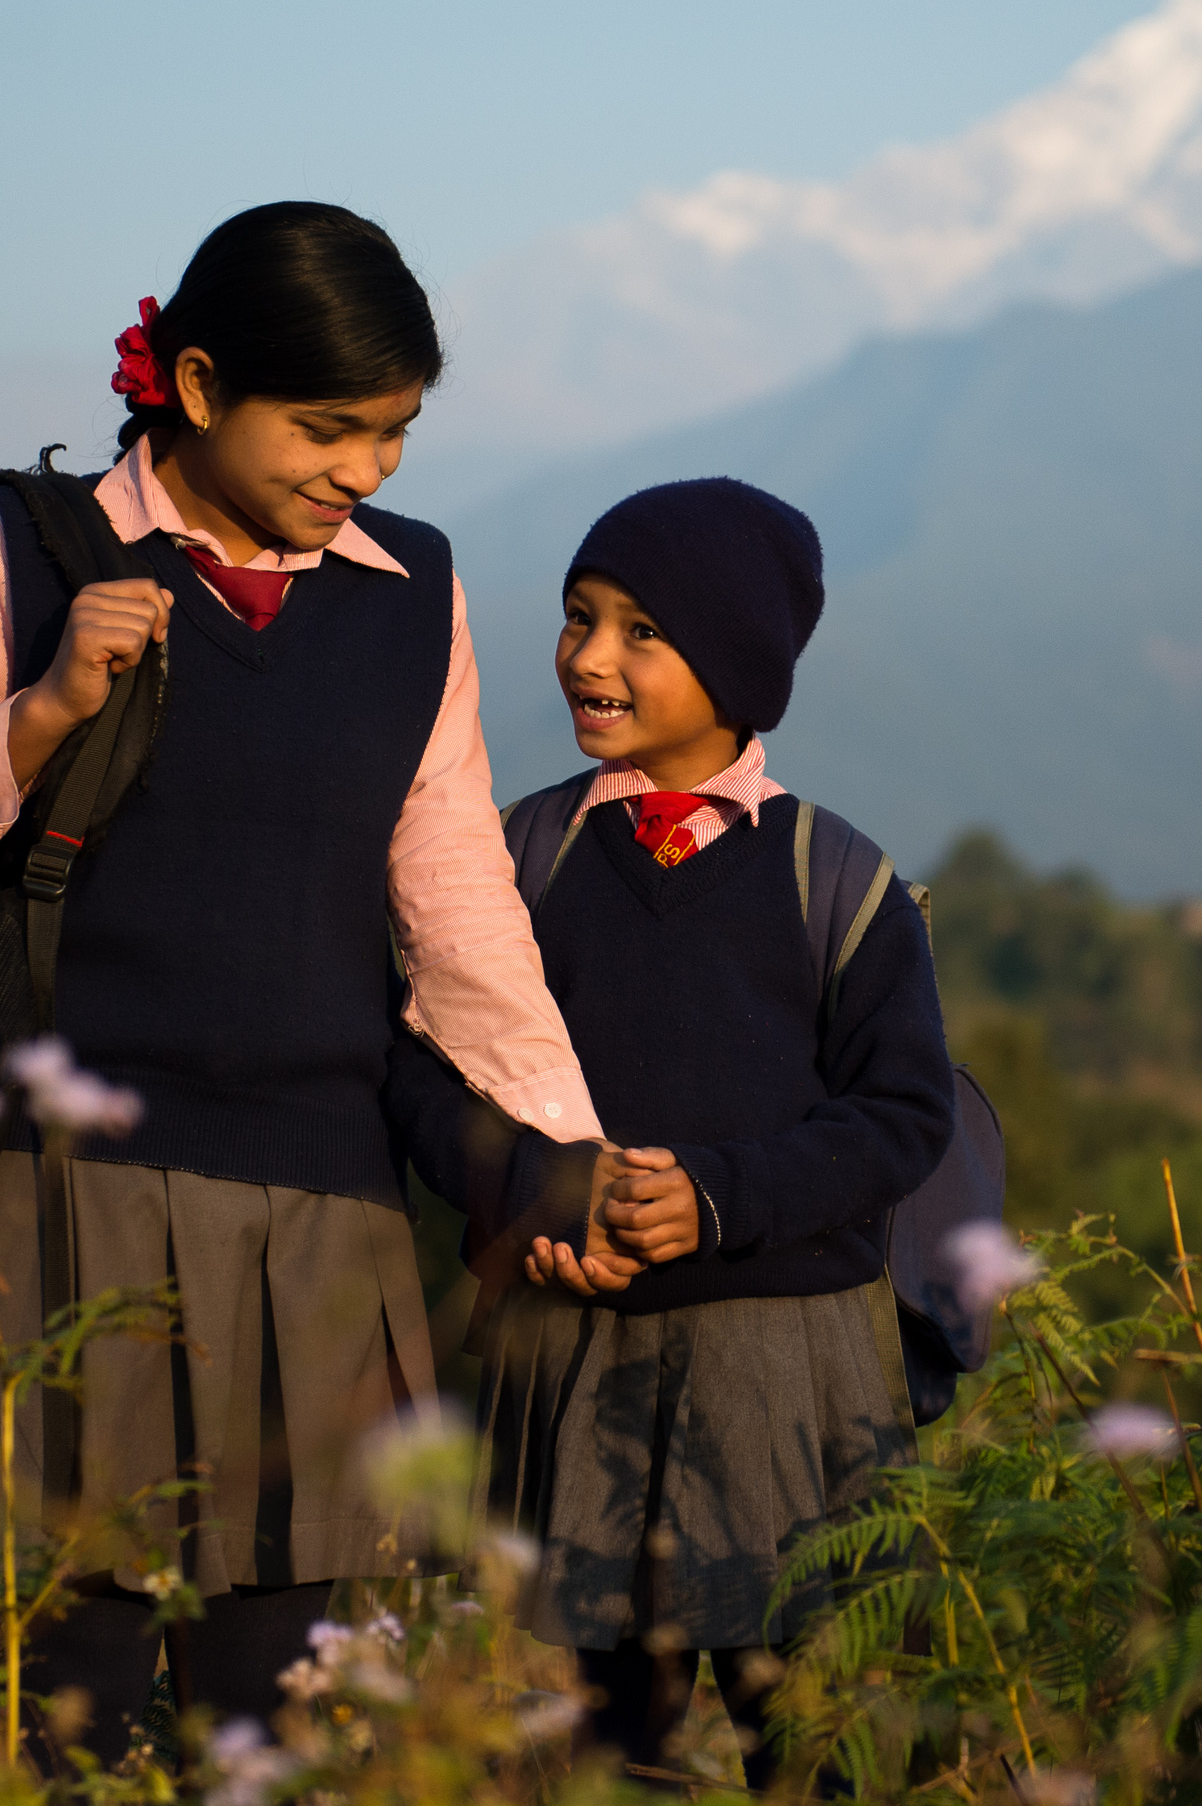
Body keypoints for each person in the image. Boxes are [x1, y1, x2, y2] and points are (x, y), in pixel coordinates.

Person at [0, 202, 607, 1762]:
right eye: (327, 428)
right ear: (190, 386)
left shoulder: (409, 591)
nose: (366, 471)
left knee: (283, 1730)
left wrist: (557, 1150)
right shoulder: (25, 559)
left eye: (393, 435)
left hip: (325, 1213)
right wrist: (42, 711)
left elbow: (450, 893)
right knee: (65, 1723)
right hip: (70, 1202)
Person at [403, 478, 955, 1793]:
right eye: (578, 616)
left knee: (819, 1732)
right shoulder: (509, 862)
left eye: (642, 630)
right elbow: (417, 1073)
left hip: (792, 1375)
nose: (589, 657)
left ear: (740, 665)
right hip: (578, 1352)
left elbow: (902, 1114)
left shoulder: (837, 877)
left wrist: (715, 1198)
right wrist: (525, 1193)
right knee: (604, 1744)